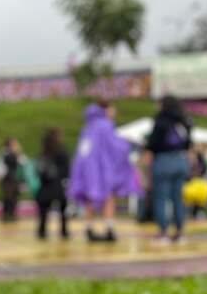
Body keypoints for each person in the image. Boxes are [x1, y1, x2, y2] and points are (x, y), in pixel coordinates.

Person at [68, 99, 141, 242]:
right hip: (102, 170)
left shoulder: (88, 127)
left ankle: (89, 228)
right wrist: (128, 144)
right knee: (108, 197)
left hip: (87, 170)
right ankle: (109, 228)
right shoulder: (106, 126)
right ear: (106, 109)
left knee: (90, 198)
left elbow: (83, 151)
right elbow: (115, 147)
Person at [145, 95, 192, 244]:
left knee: (161, 198)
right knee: (178, 199)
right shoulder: (184, 121)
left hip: (163, 161)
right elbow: (189, 142)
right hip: (180, 161)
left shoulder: (160, 121)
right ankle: (180, 232)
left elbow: (153, 143)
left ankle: (163, 232)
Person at [36, 128, 70, 239]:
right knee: (63, 211)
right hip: (58, 187)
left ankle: (42, 231)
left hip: (45, 187)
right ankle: (64, 231)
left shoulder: (43, 153)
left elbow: (38, 171)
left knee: (43, 213)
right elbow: (67, 170)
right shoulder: (62, 152)